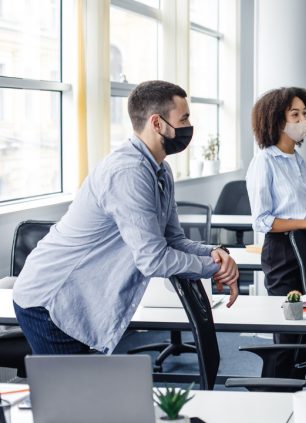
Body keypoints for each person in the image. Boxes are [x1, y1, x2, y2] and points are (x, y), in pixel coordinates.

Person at [12, 80, 239, 355]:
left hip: (79, 299)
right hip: (52, 300)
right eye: (185, 118)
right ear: (157, 123)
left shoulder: (160, 170)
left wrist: (215, 253)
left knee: (86, 393)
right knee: (72, 396)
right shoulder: (128, 172)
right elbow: (153, 259)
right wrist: (213, 268)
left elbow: (173, 239)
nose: (190, 125)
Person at [246, 87, 306, 378]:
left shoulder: (297, 159)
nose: (302, 120)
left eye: (305, 114)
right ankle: (272, 401)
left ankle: (294, 399)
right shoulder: (265, 161)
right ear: (275, 120)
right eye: (294, 114)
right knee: (287, 335)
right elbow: (262, 220)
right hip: (283, 253)